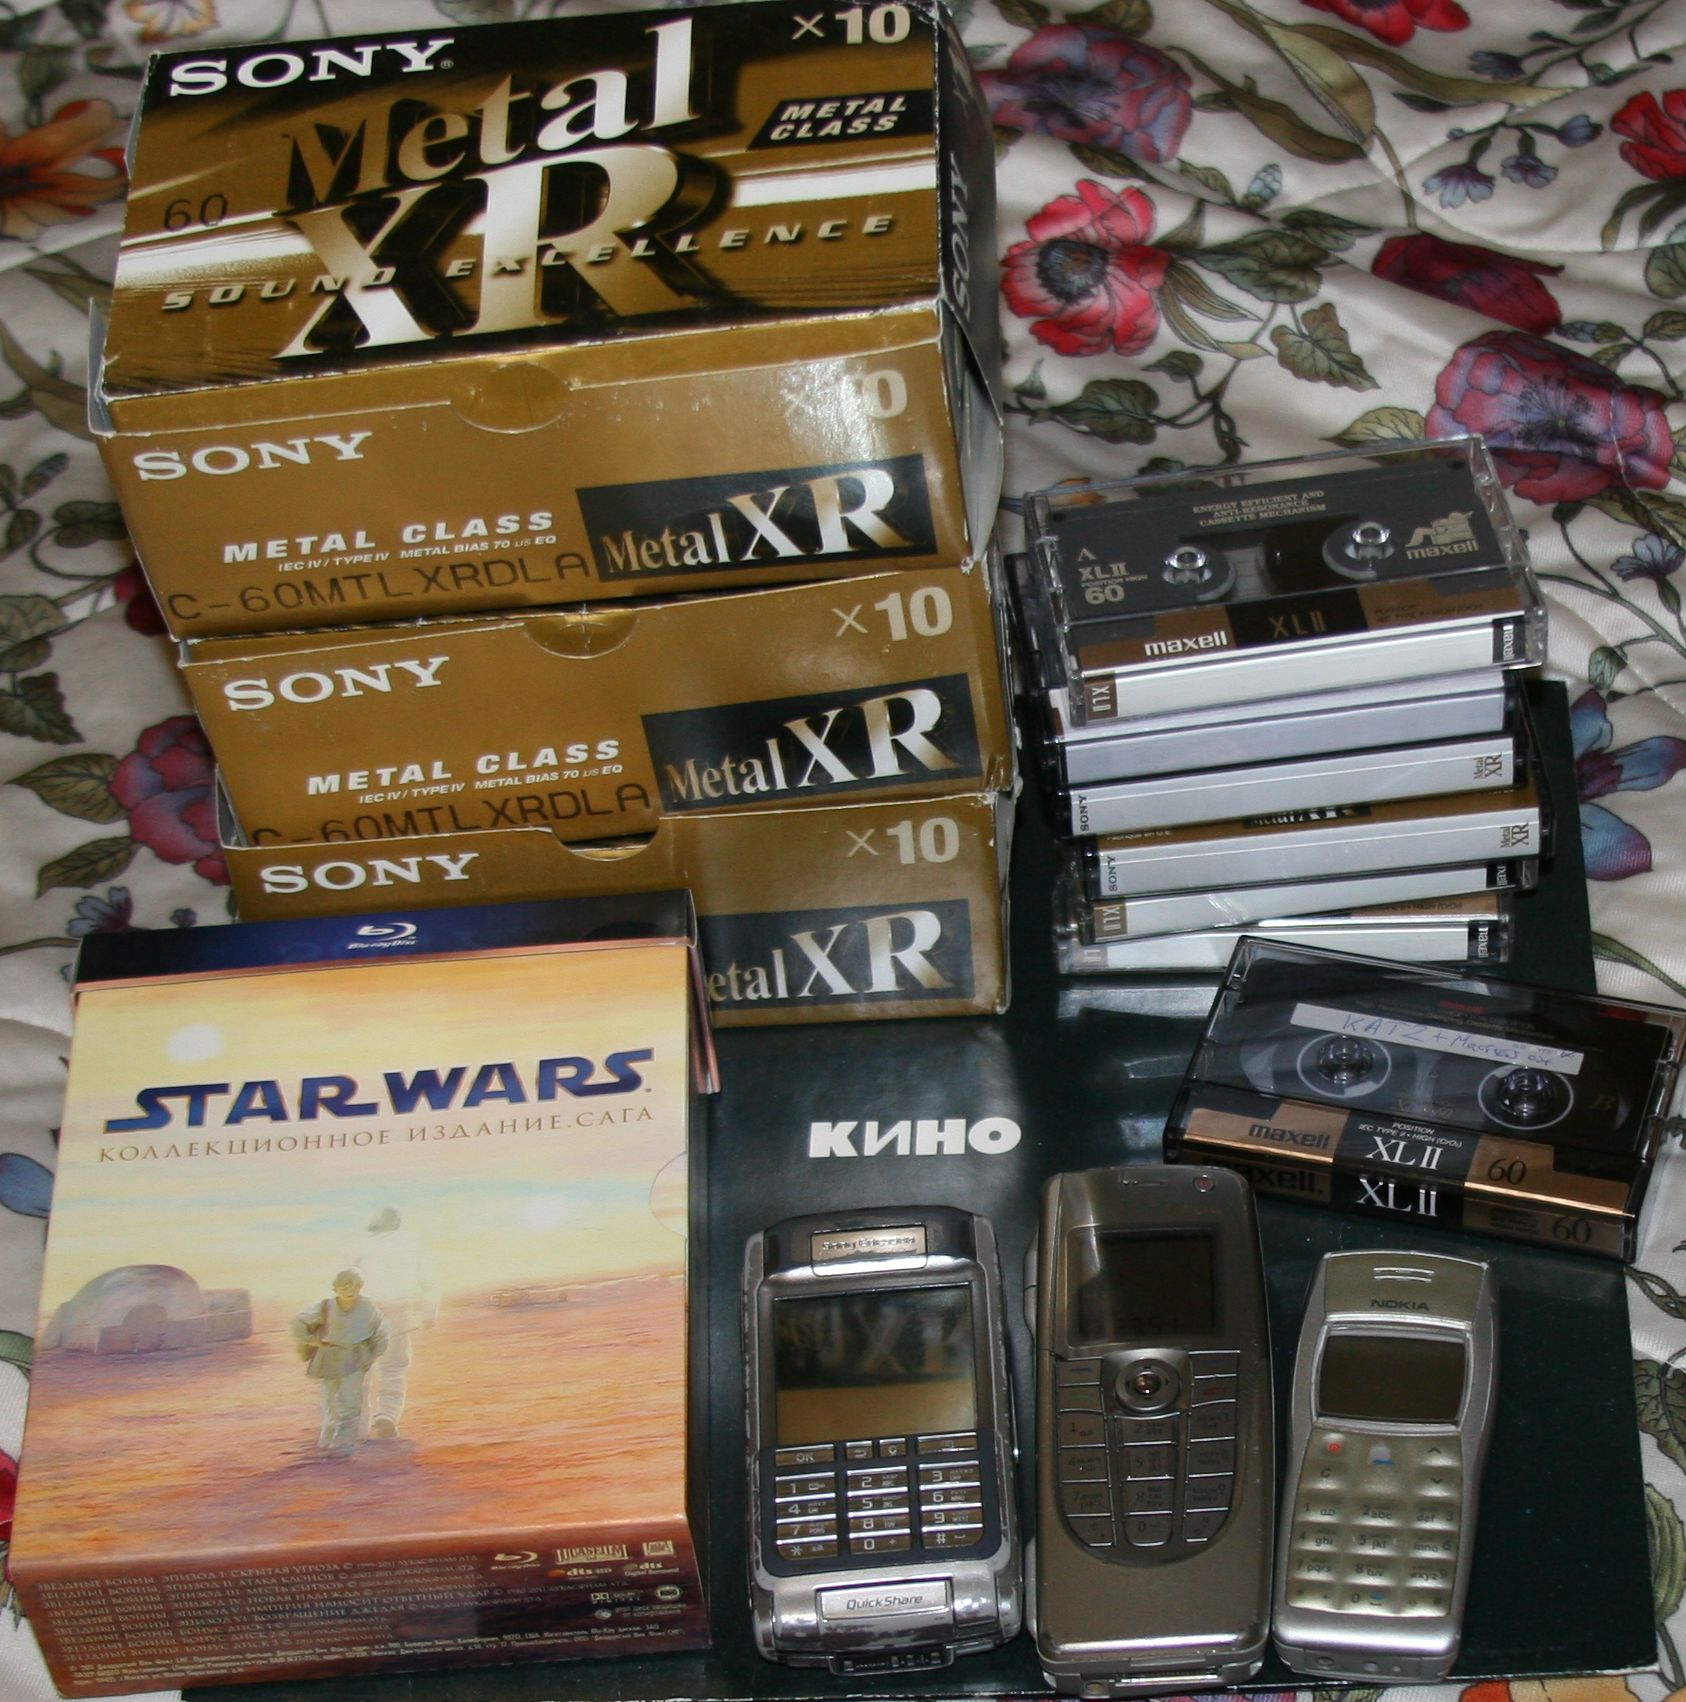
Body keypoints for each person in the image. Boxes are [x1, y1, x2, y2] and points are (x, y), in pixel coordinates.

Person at [351, 1205, 439, 1440]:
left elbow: (343, 1280)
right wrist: (429, 1314)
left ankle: (358, 1425)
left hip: (364, 1313)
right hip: (398, 1314)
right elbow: (429, 1283)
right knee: (393, 1369)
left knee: (359, 1371)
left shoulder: (361, 1245)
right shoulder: (413, 1245)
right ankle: (387, 1417)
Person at [291, 1269, 388, 1458]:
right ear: (335, 1289)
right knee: (330, 1402)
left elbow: (381, 1334)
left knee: (350, 1404)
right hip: (329, 1358)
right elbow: (298, 1322)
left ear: (360, 1287)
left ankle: (344, 1445)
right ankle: (328, 1439)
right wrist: (313, 1340)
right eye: (344, 1287)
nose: (350, 1291)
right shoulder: (325, 1307)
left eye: (354, 1287)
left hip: (355, 1358)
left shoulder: (368, 1308)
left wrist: (373, 1356)